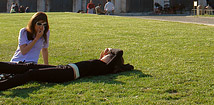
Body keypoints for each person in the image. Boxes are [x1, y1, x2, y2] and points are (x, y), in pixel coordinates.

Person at [0, 48, 133, 91]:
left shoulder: (105, 67)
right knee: (29, 66)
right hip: (66, 68)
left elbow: (119, 52)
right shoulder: (100, 63)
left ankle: (3, 86)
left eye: (107, 55)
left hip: (68, 73)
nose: (104, 54)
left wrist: (110, 49)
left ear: (110, 58)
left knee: (31, 74)